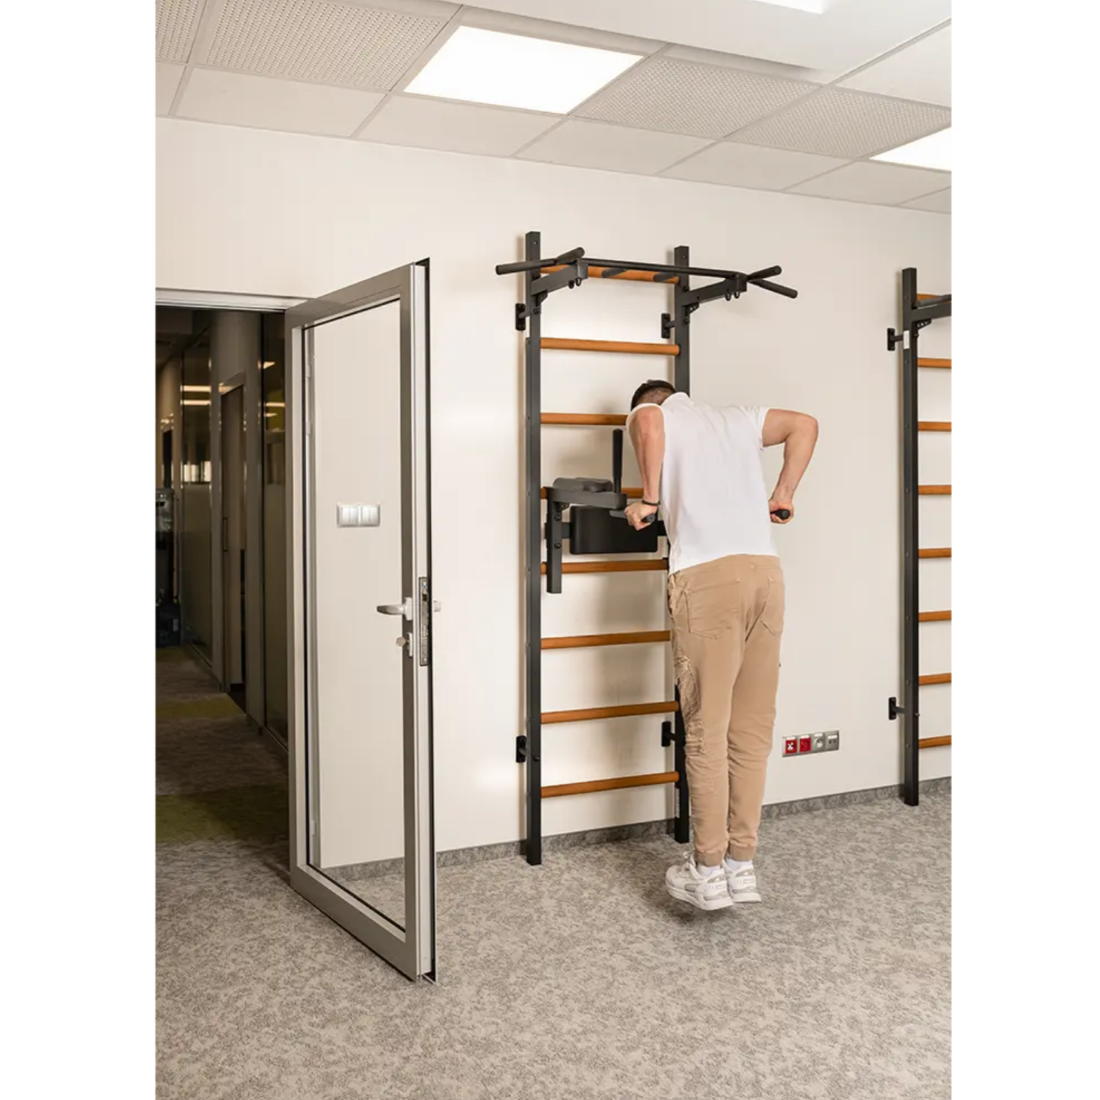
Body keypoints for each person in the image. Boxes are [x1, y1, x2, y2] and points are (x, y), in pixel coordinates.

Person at [623, 379, 818, 911]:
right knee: (750, 731)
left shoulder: (654, 412)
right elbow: (806, 424)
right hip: (766, 576)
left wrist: (648, 498)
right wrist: (783, 493)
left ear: (651, 398)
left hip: (708, 580)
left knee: (707, 730)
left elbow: (646, 423)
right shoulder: (736, 418)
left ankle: (707, 871)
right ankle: (741, 866)